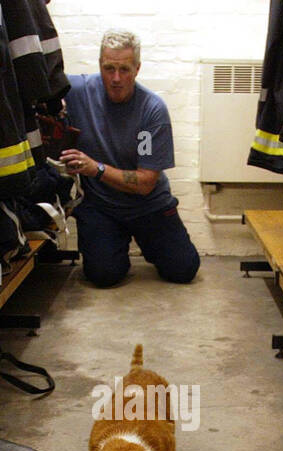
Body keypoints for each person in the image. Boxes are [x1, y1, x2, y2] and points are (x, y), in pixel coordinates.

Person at [59, 29, 201, 288]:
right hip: (101, 207)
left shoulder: (151, 110)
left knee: (184, 270)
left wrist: (96, 169)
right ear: (100, 65)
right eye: (108, 68)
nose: (115, 78)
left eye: (124, 69)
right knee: (103, 276)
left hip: (148, 205)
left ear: (137, 69)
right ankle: (112, 247)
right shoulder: (78, 91)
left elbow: (146, 182)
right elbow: (40, 86)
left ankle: (148, 243)